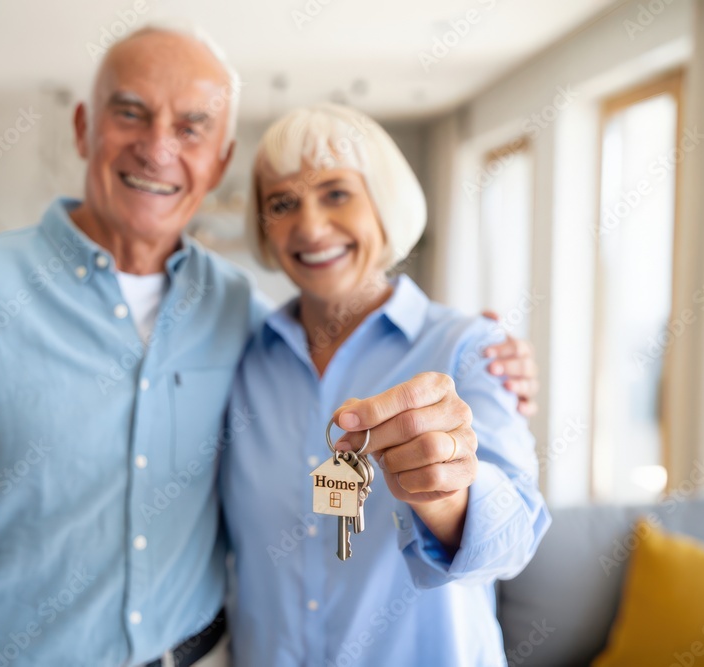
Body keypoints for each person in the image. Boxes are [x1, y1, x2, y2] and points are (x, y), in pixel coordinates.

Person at [0, 24, 540, 667]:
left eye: (192, 125)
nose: (158, 146)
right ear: (85, 127)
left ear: (218, 161)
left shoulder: (263, 316)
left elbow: (512, 531)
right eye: (130, 112)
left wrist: (457, 472)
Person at [221, 103, 551, 666]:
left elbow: (513, 543)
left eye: (336, 193)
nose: (310, 225)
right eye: (282, 203)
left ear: (383, 202)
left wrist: (448, 492)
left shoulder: (470, 349)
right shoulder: (241, 358)